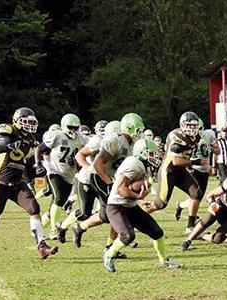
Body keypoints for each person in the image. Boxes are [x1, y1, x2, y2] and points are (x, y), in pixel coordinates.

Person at [103, 138, 181, 272]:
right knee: (127, 236)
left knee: (157, 232)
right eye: (151, 153)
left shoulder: (141, 164)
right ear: (142, 153)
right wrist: (138, 196)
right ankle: (109, 255)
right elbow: (121, 189)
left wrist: (139, 199)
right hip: (116, 206)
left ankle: (164, 261)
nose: (155, 156)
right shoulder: (134, 163)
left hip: (130, 205)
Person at [0, 107, 58, 259]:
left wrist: (38, 167)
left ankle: (41, 246)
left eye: (31, 122)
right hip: (0, 182)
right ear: (17, 121)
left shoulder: (31, 140)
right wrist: (6, 147)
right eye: (26, 121)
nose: (29, 125)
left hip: (17, 182)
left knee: (34, 208)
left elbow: (27, 162)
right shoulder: (8, 130)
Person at [71, 114, 144, 251]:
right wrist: (109, 183)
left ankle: (82, 228)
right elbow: (98, 163)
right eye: (138, 130)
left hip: (112, 178)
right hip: (99, 177)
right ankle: (114, 243)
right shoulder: (115, 140)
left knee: (107, 214)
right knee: (116, 209)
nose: (139, 134)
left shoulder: (132, 144)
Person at [144, 111, 202, 235]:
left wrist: (190, 164)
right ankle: (139, 215)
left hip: (181, 171)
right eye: (189, 125)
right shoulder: (176, 137)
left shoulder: (197, 137)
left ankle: (190, 226)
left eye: (194, 125)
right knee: (160, 204)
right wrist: (195, 162)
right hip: (168, 171)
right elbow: (176, 161)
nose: (192, 128)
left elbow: (188, 154)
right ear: (182, 124)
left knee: (197, 194)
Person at [35, 113, 85, 240]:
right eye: (70, 127)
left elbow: (83, 156)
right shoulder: (57, 135)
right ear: (64, 126)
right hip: (54, 170)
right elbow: (38, 149)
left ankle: (38, 228)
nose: (73, 130)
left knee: (58, 203)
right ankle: (53, 230)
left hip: (69, 175)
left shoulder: (81, 138)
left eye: (76, 127)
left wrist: (75, 161)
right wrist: (38, 164)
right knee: (58, 198)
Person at [174, 119, 220, 222]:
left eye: (199, 128)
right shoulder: (187, 138)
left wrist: (215, 148)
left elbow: (217, 151)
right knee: (196, 196)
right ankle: (192, 222)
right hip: (193, 168)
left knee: (198, 198)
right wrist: (188, 166)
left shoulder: (208, 135)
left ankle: (180, 206)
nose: (197, 131)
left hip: (204, 170)